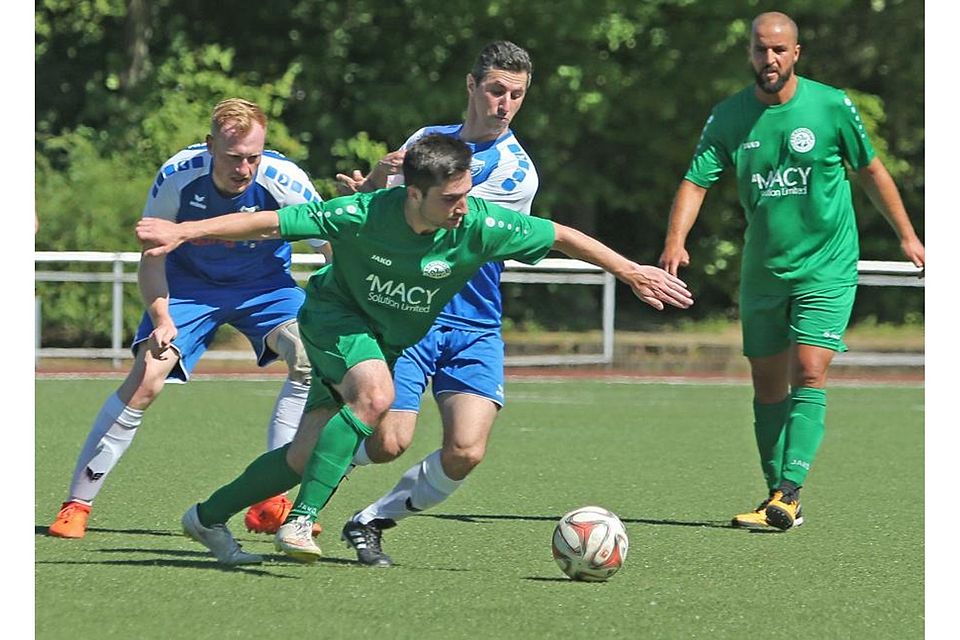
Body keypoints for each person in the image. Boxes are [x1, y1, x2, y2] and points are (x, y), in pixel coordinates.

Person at [136, 133, 695, 565]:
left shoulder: (478, 224)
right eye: (450, 198)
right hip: (334, 321)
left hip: (387, 338)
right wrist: (185, 233)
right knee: (374, 394)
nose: (462, 205)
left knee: (308, 455)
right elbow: (267, 221)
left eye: (466, 193)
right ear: (414, 194)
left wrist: (628, 270)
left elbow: (561, 234)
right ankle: (302, 520)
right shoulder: (361, 213)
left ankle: (206, 518)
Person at [658, 12, 925, 531]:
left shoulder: (830, 106)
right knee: (766, 385)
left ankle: (789, 492)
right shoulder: (730, 116)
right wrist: (675, 241)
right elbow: (696, 181)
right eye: (761, 50)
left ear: (796, 53)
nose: (770, 59)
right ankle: (777, 495)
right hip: (763, 271)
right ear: (750, 55)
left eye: (779, 50)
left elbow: (870, 169)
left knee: (809, 370)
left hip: (826, 265)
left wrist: (908, 235)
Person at [48, 98, 327, 540]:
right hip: (189, 288)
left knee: (310, 359)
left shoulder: (287, 180)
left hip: (267, 288)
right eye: (234, 157)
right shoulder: (178, 176)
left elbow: (332, 249)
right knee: (146, 379)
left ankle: (274, 498)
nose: (244, 169)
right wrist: (160, 317)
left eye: (254, 156)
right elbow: (153, 256)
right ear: (210, 144)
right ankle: (76, 504)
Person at [332, 41, 538, 567]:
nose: (505, 103)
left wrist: (395, 193)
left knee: (467, 450)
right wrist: (375, 181)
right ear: (471, 87)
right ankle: (306, 470)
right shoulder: (425, 140)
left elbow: (438, 227)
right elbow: (393, 207)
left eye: (516, 94)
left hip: (473, 322)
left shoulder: (516, 173)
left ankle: (371, 520)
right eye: (496, 89)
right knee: (387, 442)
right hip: (413, 312)